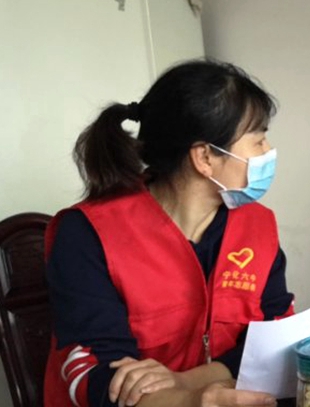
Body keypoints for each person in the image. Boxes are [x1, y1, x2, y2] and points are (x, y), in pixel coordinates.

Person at [44, 60, 294, 407]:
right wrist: (193, 400)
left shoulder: (257, 226)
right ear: (205, 157)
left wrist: (189, 381)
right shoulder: (89, 233)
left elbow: (273, 337)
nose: (268, 152)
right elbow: (98, 376)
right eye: (259, 139)